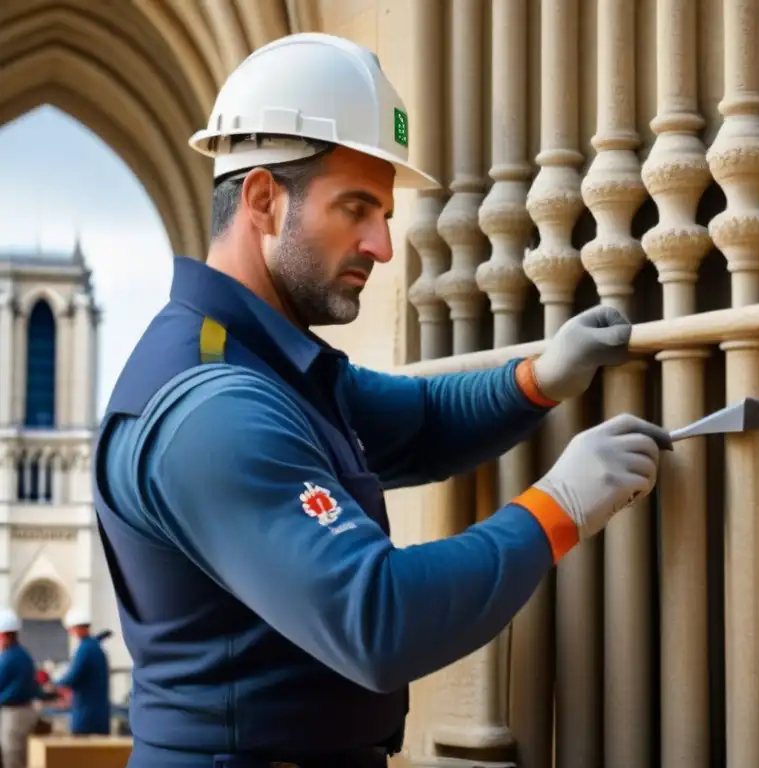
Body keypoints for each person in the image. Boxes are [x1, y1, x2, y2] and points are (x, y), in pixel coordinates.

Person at [93, 32, 673, 768]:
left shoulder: (270, 364)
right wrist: (560, 507)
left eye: (385, 215)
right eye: (355, 208)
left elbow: (421, 423)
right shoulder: (211, 408)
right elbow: (378, 620)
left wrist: (539, 379)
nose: (382, 246)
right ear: (263, 200)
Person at [51, 608, 110, 736]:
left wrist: (53, 686)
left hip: (86, 713)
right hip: (99, 712)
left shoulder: (85, 649)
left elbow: (72, 676)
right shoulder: (95, 647)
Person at [0, 610, 40, 768]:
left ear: (4, 636)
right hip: (23, 711)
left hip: (14, 714)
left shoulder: (9, 657)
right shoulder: (23, 654)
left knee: (12, 756)